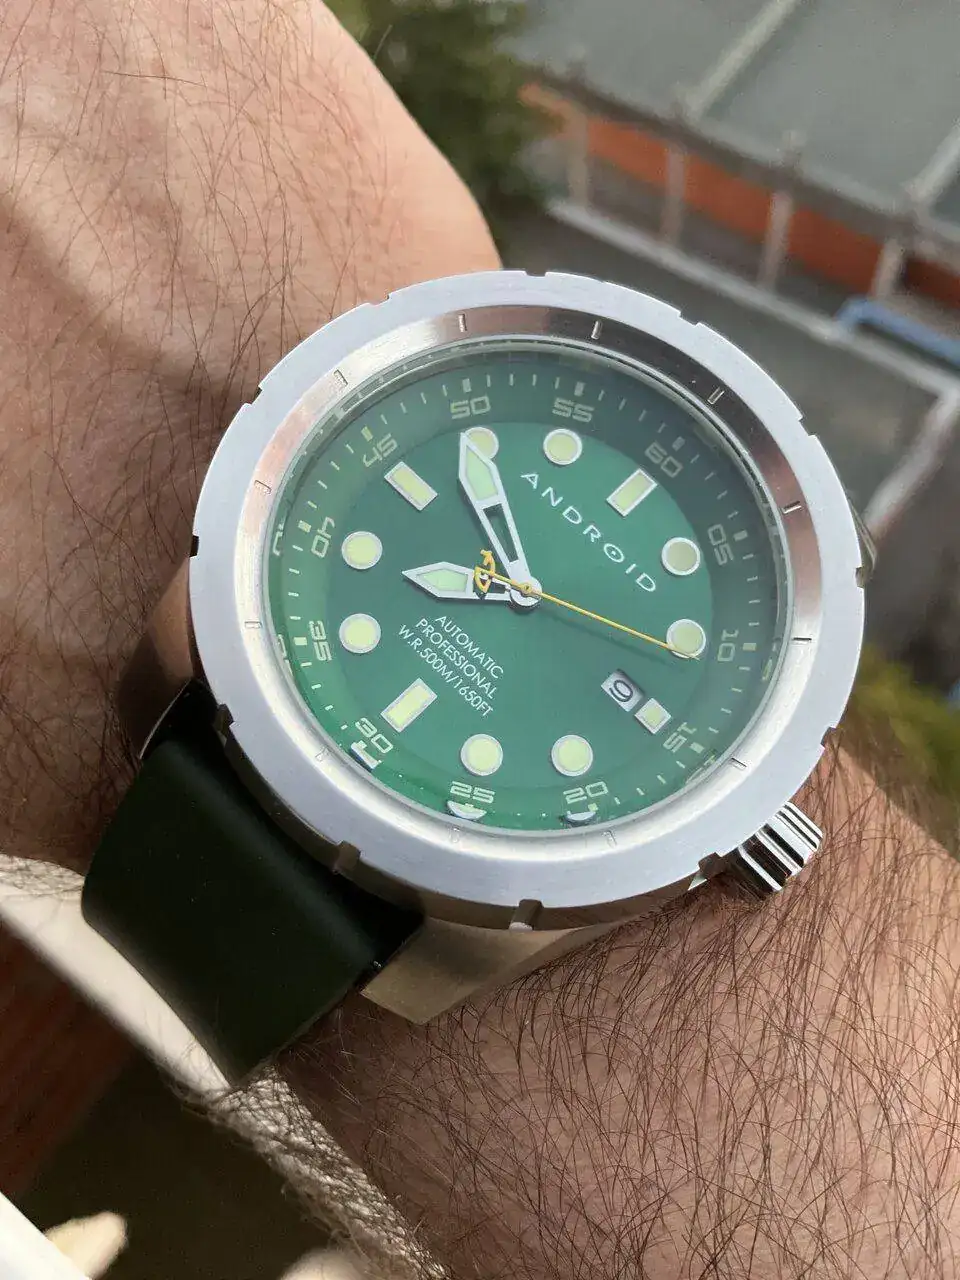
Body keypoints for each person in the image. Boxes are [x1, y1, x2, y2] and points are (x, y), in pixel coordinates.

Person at [2, 3, 959, 1277]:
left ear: (759, 836)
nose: (514, 588)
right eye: (509, 574)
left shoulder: (458, 942)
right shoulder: (168, 677)